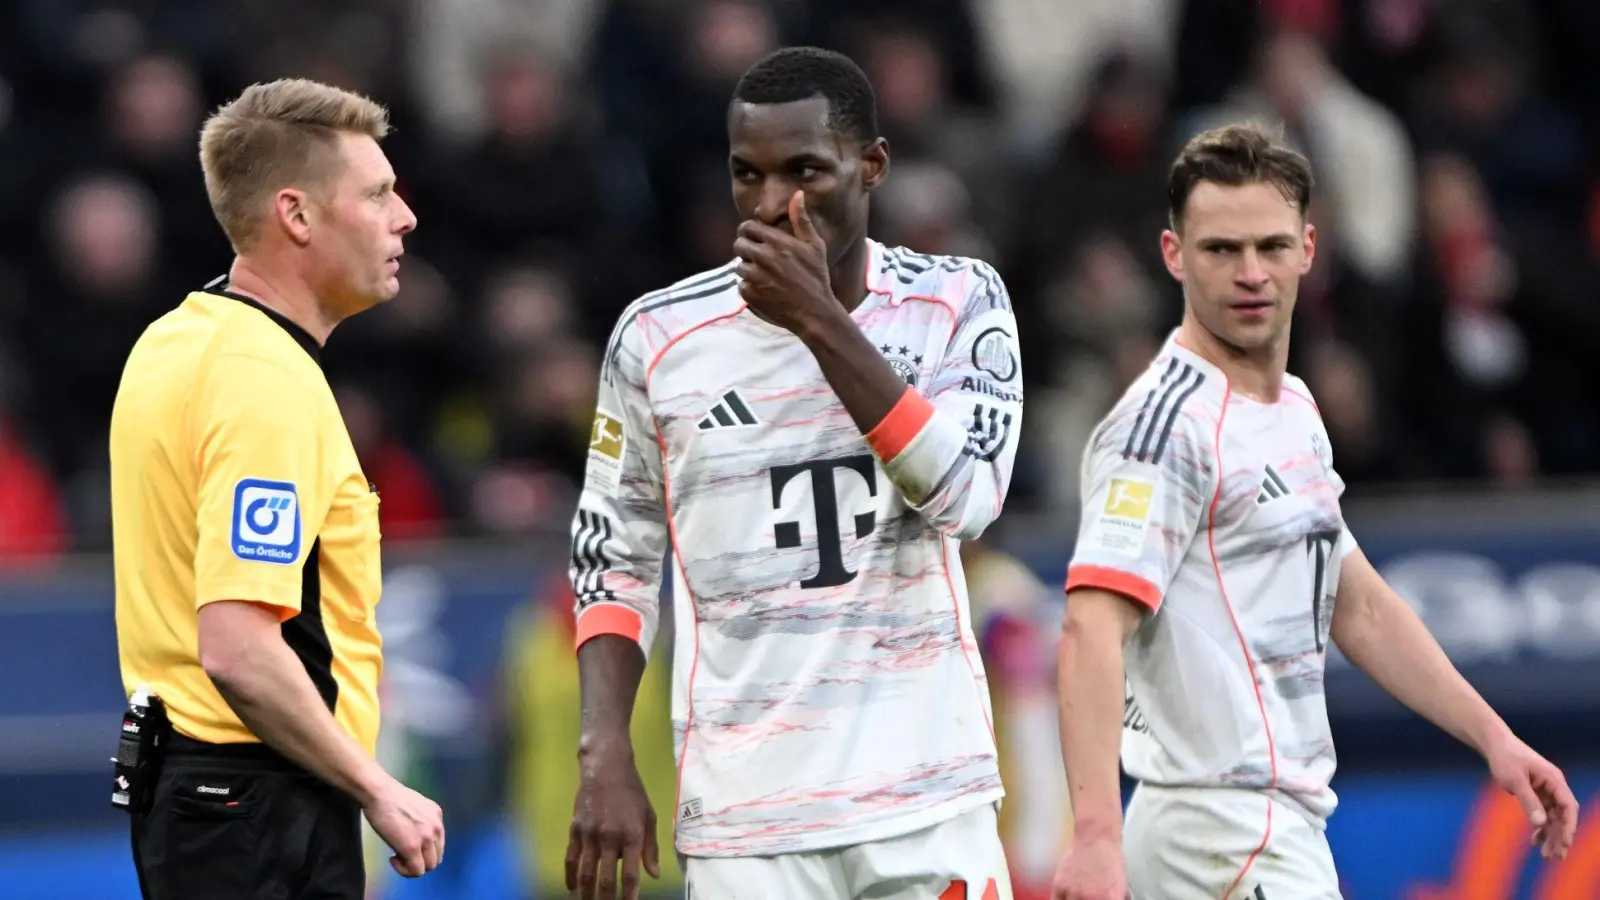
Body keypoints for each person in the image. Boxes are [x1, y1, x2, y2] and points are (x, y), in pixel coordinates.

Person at [1049, 122, 1581, 900]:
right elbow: (1091, 624)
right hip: (1217, 832)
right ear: (1173, 255)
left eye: (1269, 246)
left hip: (1269, 829)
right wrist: (1094, 832)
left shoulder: (1292, 407)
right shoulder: (1164, 429)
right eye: (1221, 250)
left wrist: (1496, 741)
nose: (1250, 272)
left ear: (1307, 248)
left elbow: (1356, 601)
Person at [563, 46, 1024, 900]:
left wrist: (819, 320)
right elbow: (612, 561)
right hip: (749, 821)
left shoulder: (958, 301)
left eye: (805, 170)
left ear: (872, 165)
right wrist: (605, 752)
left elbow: (967, 500)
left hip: (923, 799)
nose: (773, 204)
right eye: (748, 175)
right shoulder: (656, 340)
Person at [110, 78, 445, 900]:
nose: (404, 216)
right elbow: (237, 645)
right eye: (376, 194)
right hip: (254, 801)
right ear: (296, 216)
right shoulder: (265, 378)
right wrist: (377, 787)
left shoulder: (176, 339)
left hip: (211, 800)